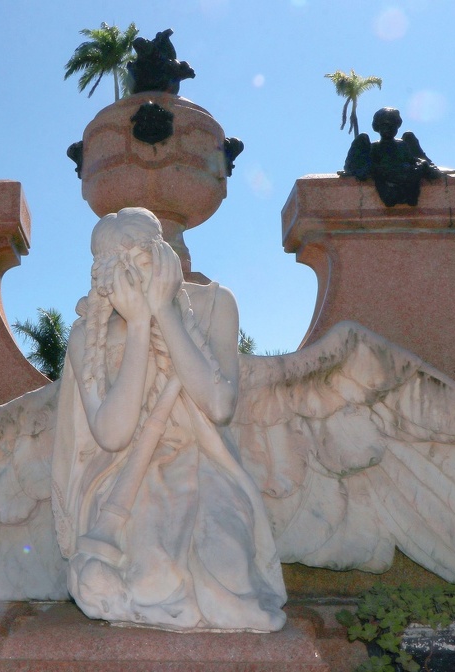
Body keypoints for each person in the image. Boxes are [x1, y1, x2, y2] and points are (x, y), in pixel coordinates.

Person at [51, 208, 287, 632]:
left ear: (162, 258)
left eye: (142, 263)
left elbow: (218, 406)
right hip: (124, 475)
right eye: (121, 270)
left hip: (204, 461)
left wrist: (164, 310)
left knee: (228, 568)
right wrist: (140, 325)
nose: (135, 279)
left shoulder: (215, 305)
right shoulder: (88, 334)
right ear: (104, 276)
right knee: (150, 577)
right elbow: (113, 434)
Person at [344, 107, 442, 207]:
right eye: (385, 124)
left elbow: (415, 160)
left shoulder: (403, 145)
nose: (389, 128)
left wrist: (423, 164)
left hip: (406, 183)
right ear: (378, 126)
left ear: (397, 126)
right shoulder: (373, 147)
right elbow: (362, 168)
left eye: (393, 124)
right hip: (387, 188)